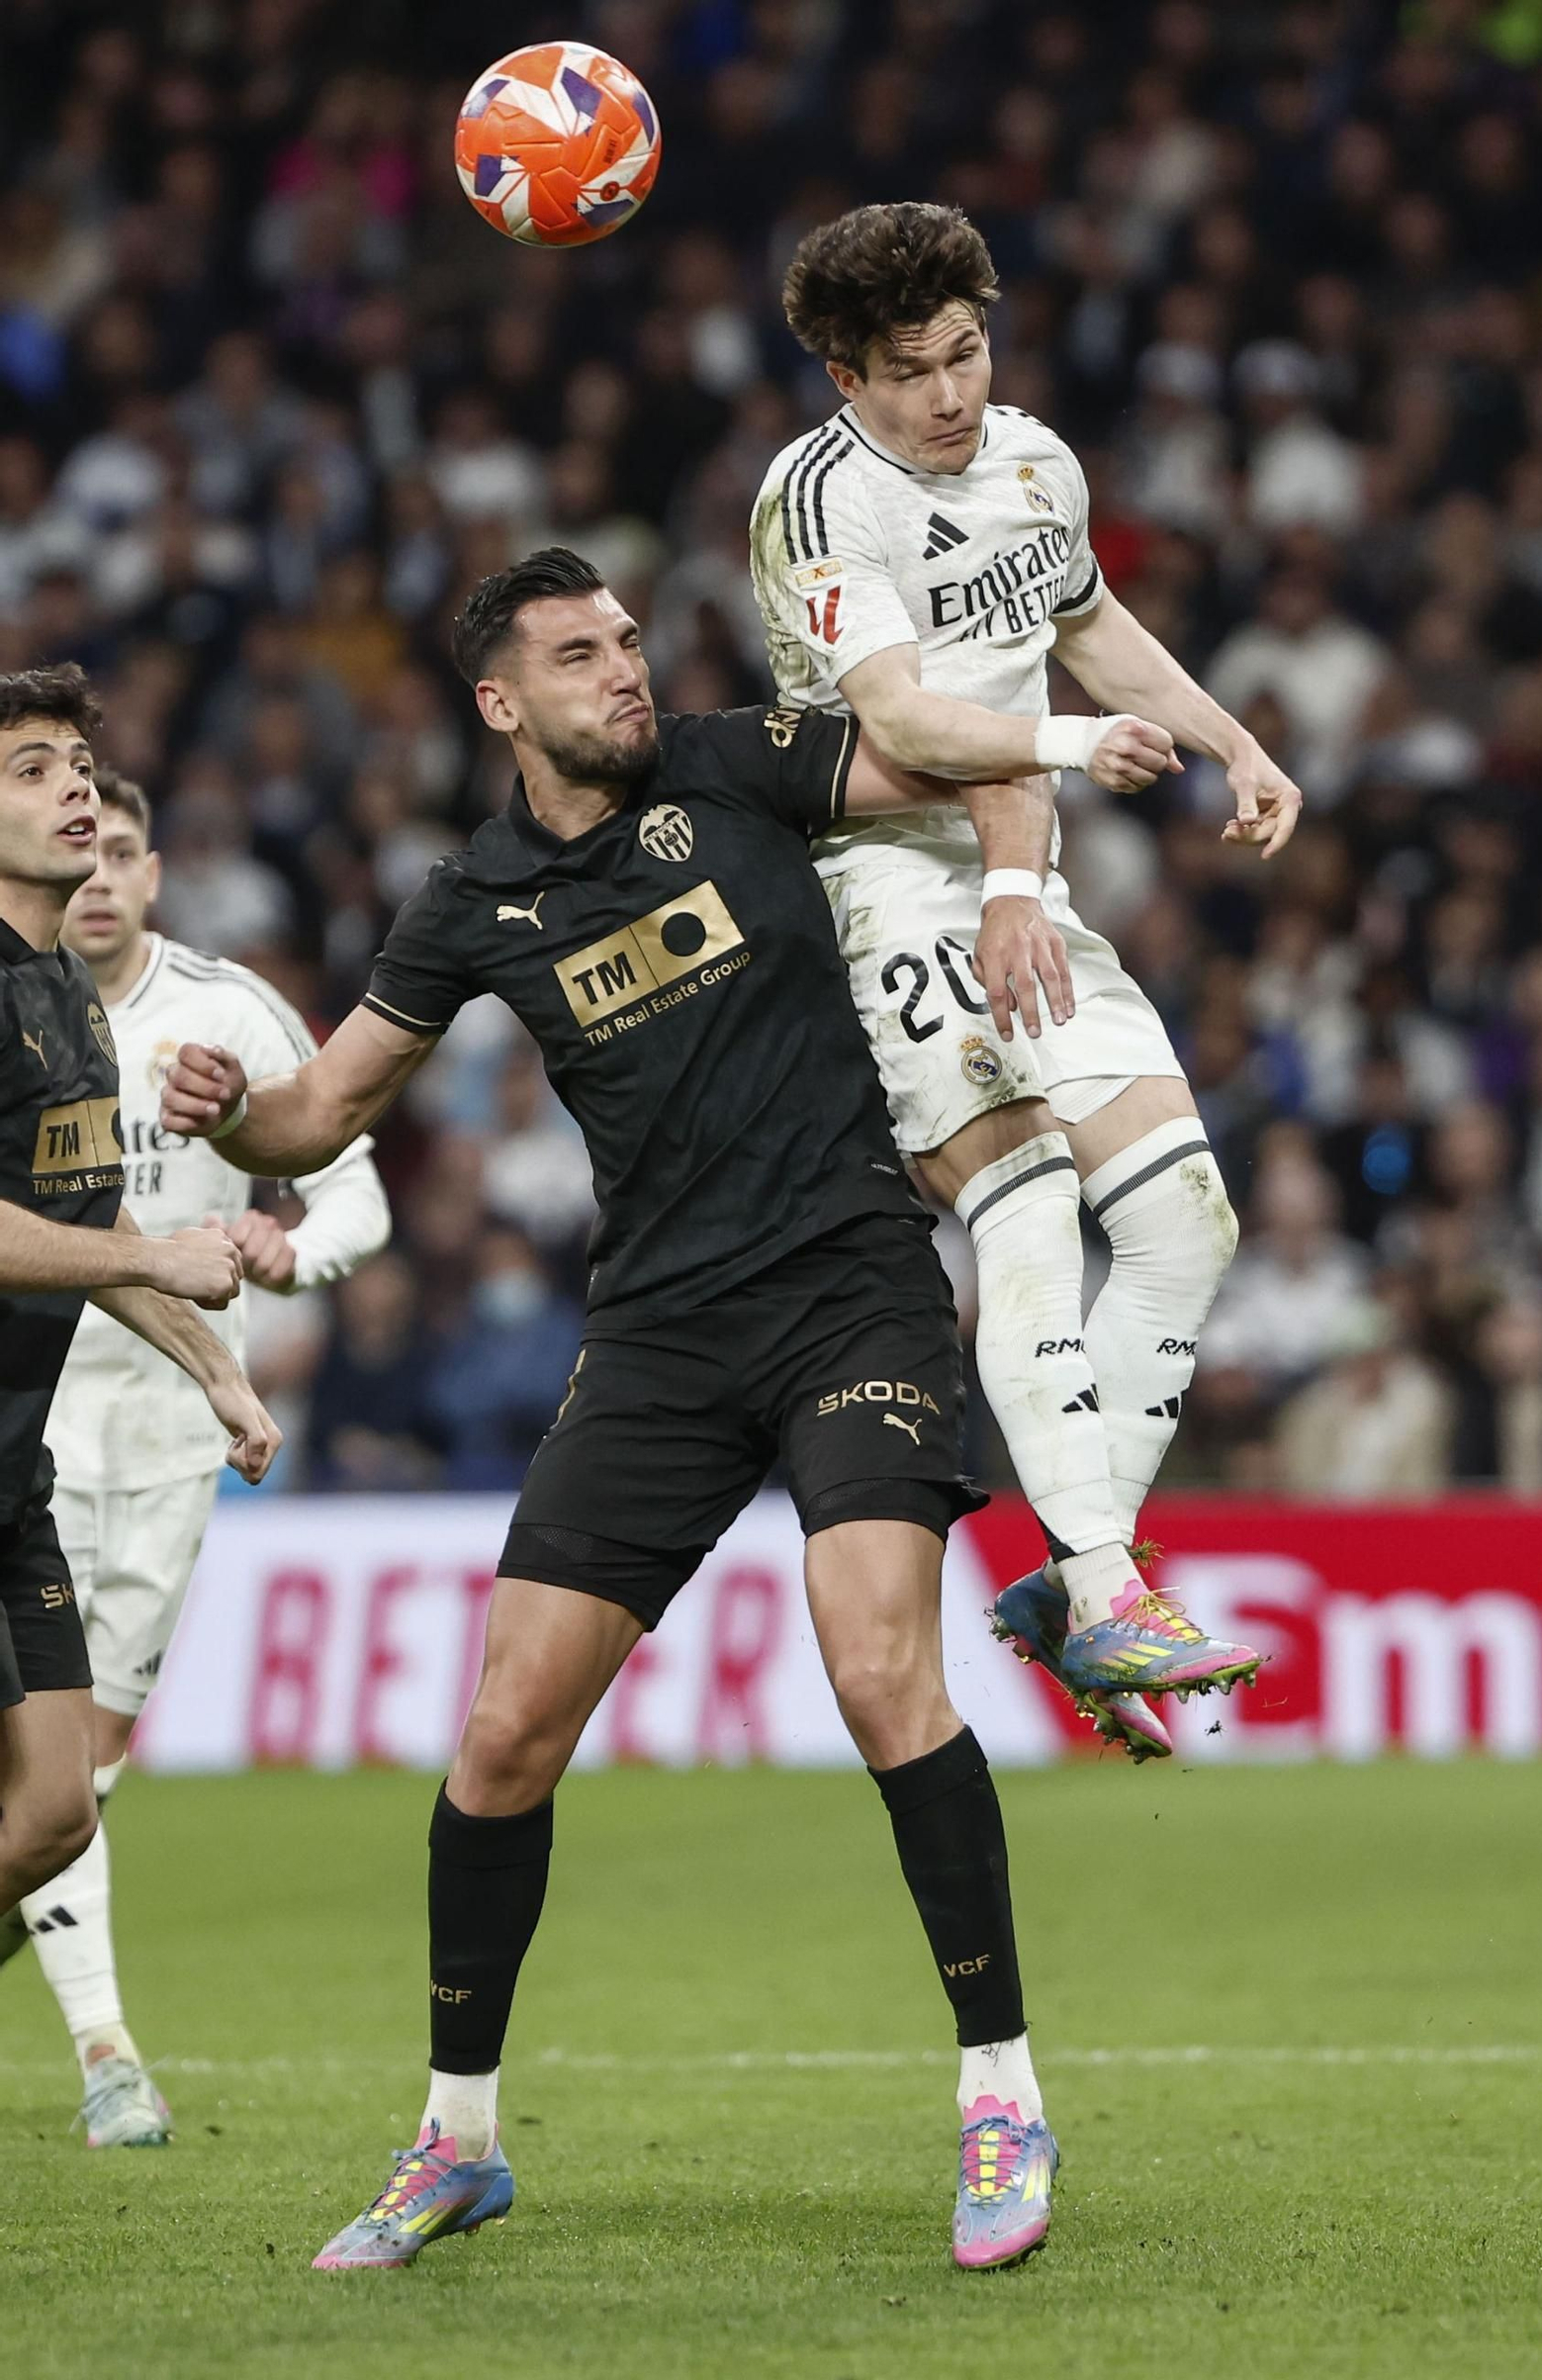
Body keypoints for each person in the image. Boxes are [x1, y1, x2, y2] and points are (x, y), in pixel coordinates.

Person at [162, 549, 1054, 2275]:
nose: (628, 671)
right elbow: (317, 1113)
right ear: (504, 702)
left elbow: (987, 754)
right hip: (655, 1335)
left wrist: (1016, 884)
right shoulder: (474, 894)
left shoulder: (736, 762)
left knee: (880, 1667)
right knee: (501, 1737)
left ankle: (1003, 2096)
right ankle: (456, 2140)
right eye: (583, 655)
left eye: (630, 641)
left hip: (852, 1287)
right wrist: (230, 1108)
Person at [750, 203, 1296, 1750]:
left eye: (969, 352)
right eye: (912, 369)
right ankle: (1112, 1585)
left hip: (1021, 880)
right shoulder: (814, 502)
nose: (950, 395)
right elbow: (900, 720)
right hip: (879, 883)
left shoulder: (1038, 460)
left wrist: (1229, 737)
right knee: (1032, 1189)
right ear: (846, 376)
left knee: (1187, 1219)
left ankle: (1075, 1573)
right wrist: (1063, 749)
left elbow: (1091, 623)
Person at [0, 767, 390, 2151]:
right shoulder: (21, 1000)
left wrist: (287, 1260)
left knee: (74, 1783)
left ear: (157, 872)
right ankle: (108, 2053)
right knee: (41, 1779)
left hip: (159, 1434)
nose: (96, 864)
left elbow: (353, 1187)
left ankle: (65, 1982)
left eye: (119, 841)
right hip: (28, 1412)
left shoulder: (224, 1010)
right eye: (71, 831)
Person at [0, 665, 279, 2058]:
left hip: (11, 1475)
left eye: (78, 768)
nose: (73, 792)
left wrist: (213, 1369)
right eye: (33, 768)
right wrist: (161, 1262)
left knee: (55, 1811)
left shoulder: (63, 992)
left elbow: (85, 1215)